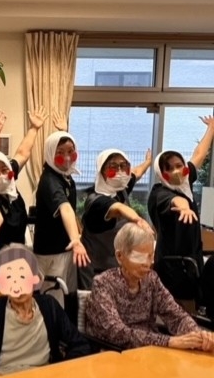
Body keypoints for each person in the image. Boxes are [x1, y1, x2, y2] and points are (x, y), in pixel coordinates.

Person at [0, 244, 90, 378]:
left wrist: (60, 371)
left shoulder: (49, 306)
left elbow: (80, 343)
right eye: (9, 278)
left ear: (36, 279)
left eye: (22, 277)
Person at [85, 222, 214, 351]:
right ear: (120, 256)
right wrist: (168, 341)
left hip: (152, 350)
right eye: (139, 257)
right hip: (116, 353)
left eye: (150, 256)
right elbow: (116, 332)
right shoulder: (103, 284)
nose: (147, 264)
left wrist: (197, 335)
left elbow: (176, 315)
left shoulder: (151, 279)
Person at [147, 115, 214, 313]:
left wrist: (211, 128)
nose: (176, 171)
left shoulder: (185, 182)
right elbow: (174, 201)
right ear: (161, 173)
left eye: (179, 166)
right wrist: (184, 207)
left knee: (191, 310)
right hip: (172, 267)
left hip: (191, 261)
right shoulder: (159, 192)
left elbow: (199, 154)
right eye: (169, 168)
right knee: (176, 313)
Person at [0, 107, 47, 261]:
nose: (1, 176)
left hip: (16, 259)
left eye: (4, 170)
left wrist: (34, 128)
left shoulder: (9, 183)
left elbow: (22, 153)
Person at [78, 148, 153, 289]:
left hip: (115, 266)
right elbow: (118, 208)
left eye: (123, 166)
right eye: (113, 167)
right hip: (96, 270)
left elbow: (137, 173)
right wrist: (138, 220)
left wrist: (148, 162)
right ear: (102, 171)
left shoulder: (120, 189)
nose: (120, 171)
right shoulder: (96, 201)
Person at [33, 123, 90, 308]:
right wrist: (76, 240)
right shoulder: (50, 180)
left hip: (65, 249)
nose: (66, 157)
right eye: (60, 152)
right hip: (51, 253)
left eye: (71, 152)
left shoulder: (66, 177)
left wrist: (77, 236)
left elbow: (71, 211)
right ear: (50, 153)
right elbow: (65, 208)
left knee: (68, 295)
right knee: (53, 301)